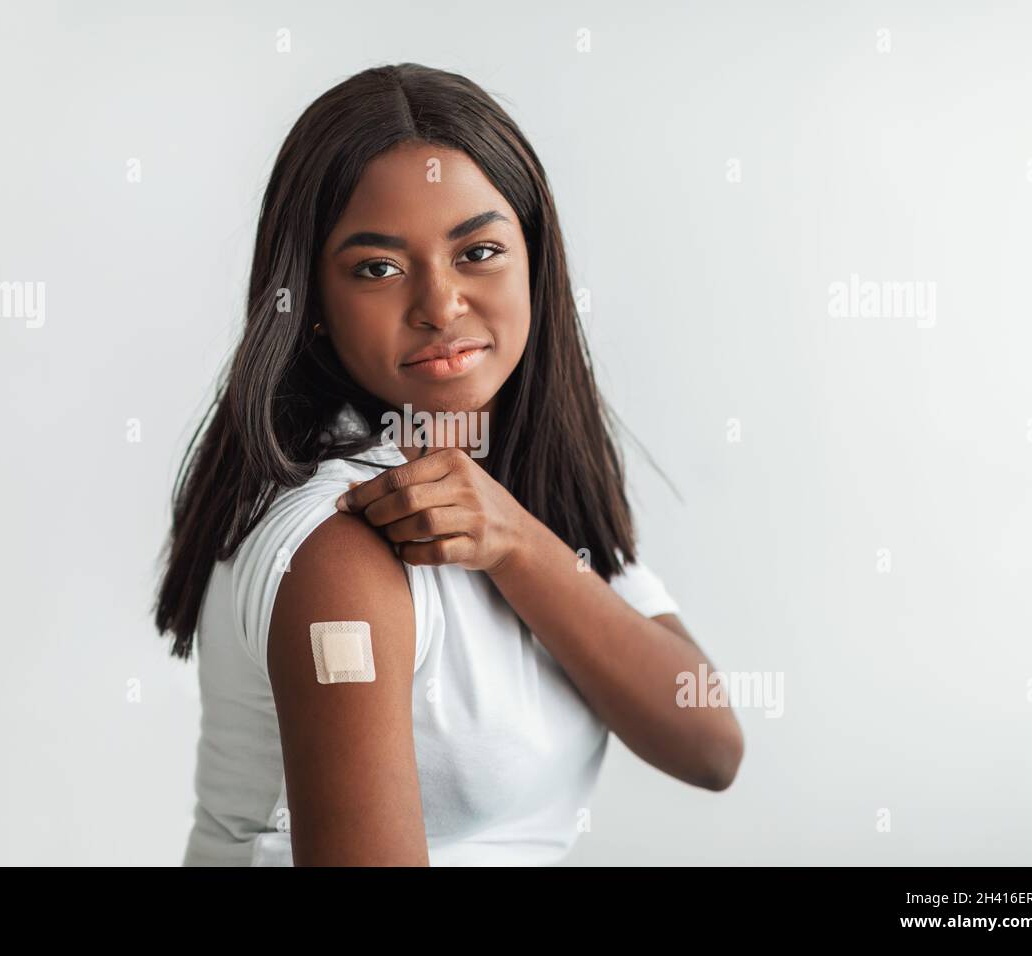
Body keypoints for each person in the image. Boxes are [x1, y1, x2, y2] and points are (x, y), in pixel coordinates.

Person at [153, 62, 743, 866]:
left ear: (535, 260)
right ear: (312, 307)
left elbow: (709, 742)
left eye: (479, 251)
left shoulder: (529, 489)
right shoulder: (344, 546)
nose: (440, 304)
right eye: (378, 268)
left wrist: (520, 545)